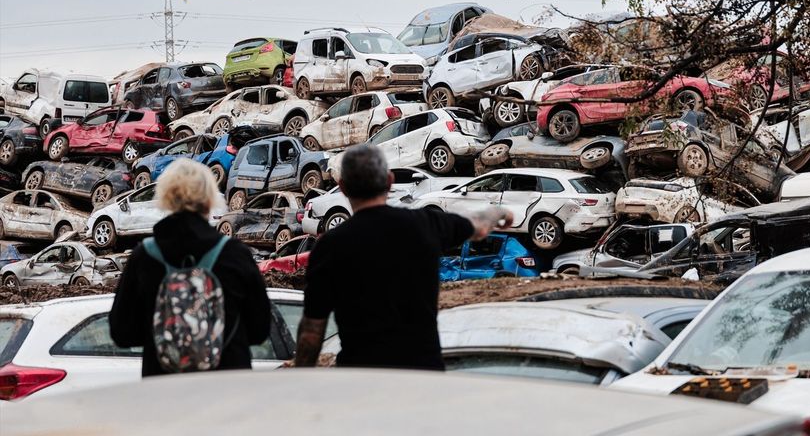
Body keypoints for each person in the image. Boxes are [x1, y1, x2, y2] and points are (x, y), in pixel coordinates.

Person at [294, 144, 511, 371]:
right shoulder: (425, 224)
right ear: (389, 181)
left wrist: (303, 376)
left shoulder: (329, 247)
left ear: (343, 188)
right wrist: (499, 212)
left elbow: (312, 329)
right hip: (421, 374)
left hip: (359, 377)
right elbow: (478, 226)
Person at [109, 159, 271, 376]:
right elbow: (259, 331)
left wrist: (167, 332)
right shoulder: (235, 254)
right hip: (227, 388)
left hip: (166, 389)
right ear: (209, 199)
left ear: (167, 198)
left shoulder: (144, 257)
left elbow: (122, 333)